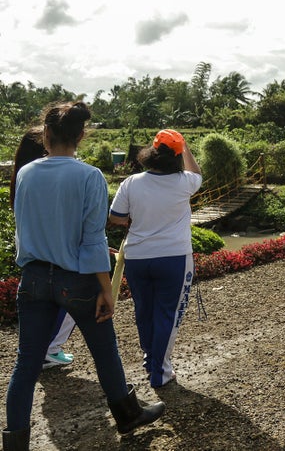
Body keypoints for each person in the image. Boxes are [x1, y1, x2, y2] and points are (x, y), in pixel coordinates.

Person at [5, 101, 164, 450]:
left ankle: (14, 442)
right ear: (81, 135)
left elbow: (23, 230)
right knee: (104, 350)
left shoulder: (26, 173)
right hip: (75, 278)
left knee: (26, 364)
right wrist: (106, 289)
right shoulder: (89, 176)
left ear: (45, 134)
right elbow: (93, 240)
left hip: (32, 278)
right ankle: (127, 415)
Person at [108, 129, 202, 389]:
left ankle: (152, 360)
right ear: (178, 155)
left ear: (152, 150)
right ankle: (159, 372)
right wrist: (185, 147)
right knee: (167, 315)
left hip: (138, 257)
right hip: (174, 257)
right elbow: (198, 173)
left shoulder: (132, 182)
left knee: (145, 311)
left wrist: (136, 220)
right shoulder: (185, 182)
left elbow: (116, 217)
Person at [9, 126, 77, 370]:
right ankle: (49, 349)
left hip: (31, 256)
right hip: (57, 257)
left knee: (42, 309)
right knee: (69, 304)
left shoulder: (23, 177)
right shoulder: (47, 177)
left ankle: (42, 350)